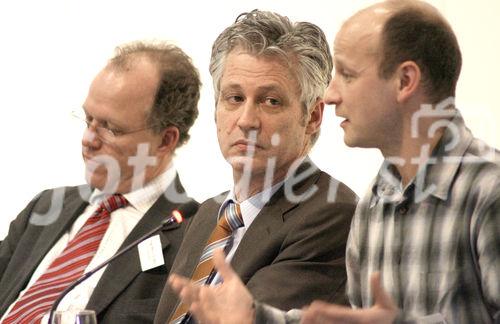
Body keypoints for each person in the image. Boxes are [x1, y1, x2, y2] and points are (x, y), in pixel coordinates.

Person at [167, 1, 500, 323]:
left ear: (405, 81)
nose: (332, 94)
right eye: (234, 98)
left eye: (349, 75)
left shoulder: (488, 191)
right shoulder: (377, 202)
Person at [154, 10, 358, 324]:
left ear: (313, 117)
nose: (246, 120)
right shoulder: (208, 214)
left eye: (270, 101)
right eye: (234, 98)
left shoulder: (330, 213)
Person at [0, 41, 201, 323]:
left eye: (110, 128)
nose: (88, 139)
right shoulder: (46, 207)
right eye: (88, 119)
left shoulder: (194, 236)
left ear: (165, 140)